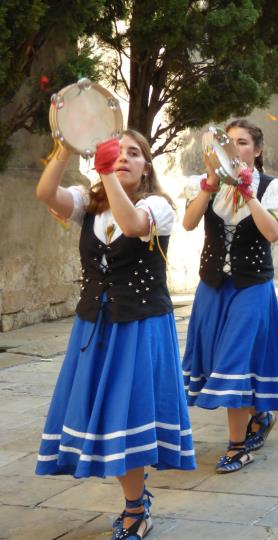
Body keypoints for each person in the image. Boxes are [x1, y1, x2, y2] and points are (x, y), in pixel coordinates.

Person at [35, 131, 195, 540]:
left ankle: (136, 508)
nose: (123, 158)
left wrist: (105, 171)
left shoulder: (158, 206)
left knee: (130, 413)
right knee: (107, 414)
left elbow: (131, 224)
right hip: (94, 325)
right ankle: (136, 502)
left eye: (133, 153)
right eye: (116, 152)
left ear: (147, 167)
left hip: (140, 327)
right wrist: (66, 144)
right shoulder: (88, 203)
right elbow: (45, 193)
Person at [182, 119, 278, 472]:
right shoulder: (207, 185)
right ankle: (260, 414)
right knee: (218, 358)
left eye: (242, 142)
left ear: (256, 151)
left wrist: (248, 194)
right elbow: (188, 223)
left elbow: (272, 233)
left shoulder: (269, 186)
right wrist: (209, 185)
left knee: (235, 361)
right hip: (213, 286)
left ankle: (237, 447)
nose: (234, 147)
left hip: (252, 286)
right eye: (228, 141)